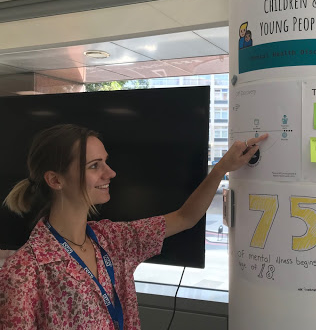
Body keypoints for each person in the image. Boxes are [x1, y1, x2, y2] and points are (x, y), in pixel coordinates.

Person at [0, 124, 267, 330]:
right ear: (55, 180)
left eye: (105, 161)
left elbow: (186, 217)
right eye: (95, 166)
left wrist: (222, 168)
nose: (110, 173)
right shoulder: (24, 272)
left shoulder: (112, 239)